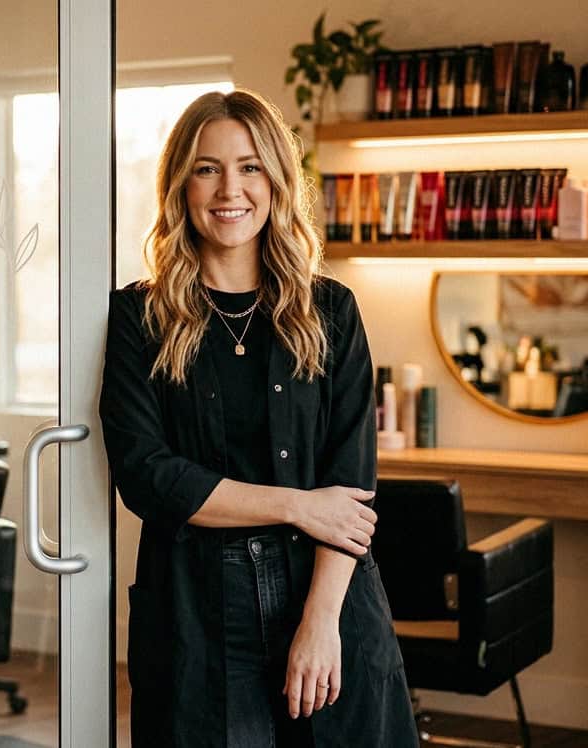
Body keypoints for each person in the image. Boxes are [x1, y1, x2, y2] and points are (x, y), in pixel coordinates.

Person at [99, 89, 417, 747]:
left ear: (275, 181)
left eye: (249, 167)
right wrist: (298, 506)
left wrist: (321, 623)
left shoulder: (331, 311)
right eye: (207, 168)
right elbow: (147, 477)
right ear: (180, 186)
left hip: (325, 594)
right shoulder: (139, 318)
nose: (230, 189)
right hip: (196, 612)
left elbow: (351, 489)